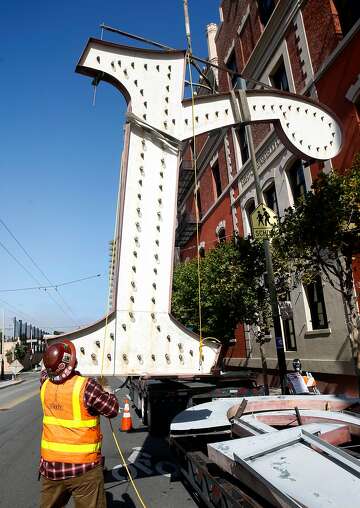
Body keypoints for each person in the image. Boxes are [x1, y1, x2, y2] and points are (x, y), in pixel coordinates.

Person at [39, 339, 119, 508]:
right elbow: (112, 410)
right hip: (84, 469)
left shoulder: (44, 384)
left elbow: (45, 371)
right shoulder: (86, 386)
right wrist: (107, 390)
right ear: (73, 362)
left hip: (51, 468)